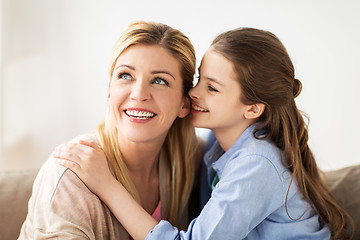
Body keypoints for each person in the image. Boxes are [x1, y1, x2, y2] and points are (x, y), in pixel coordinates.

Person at [55, 27, 353, 239]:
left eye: (211, 88)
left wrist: (106, 185)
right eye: (198, 79)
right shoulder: (215, 145)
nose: (193, 93)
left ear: (252, 109)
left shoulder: (256, 164)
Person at [18, 21, 200, 239]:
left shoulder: (192, 160)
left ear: (184, 104)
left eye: (159, 80)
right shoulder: (70, 172)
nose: (138, 94)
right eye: (125, 75)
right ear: (109, 92)